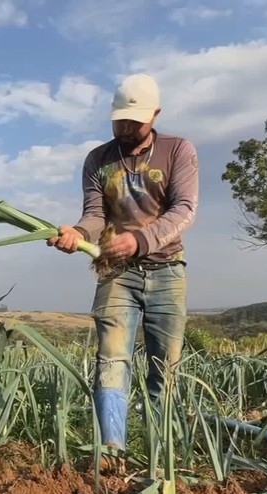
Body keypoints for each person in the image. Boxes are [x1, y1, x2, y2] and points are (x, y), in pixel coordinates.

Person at [48, 73, 199, 457]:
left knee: (165, 366)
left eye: (136, 121)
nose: (127, 128)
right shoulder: (98, 159)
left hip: (167, 269)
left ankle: (158, 454)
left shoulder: (178, 150)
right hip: (116, 273)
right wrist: (77, 234)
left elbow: (184, 209)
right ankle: (113, 452)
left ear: (156, 114)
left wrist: (140, 240)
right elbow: (95, 214)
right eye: (120, 121)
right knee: (111, 357)